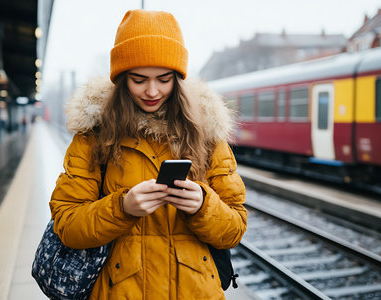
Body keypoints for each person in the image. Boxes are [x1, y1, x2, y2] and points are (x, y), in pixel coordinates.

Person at [49, 9, 247, 300]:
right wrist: (122, 207)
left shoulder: (208, 135)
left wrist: (203, 206)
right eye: (139, 79)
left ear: (178, 79)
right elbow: (67, 224)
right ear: (122, 78)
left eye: (164, 79)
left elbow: (235, 228)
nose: (152, 90)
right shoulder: (93, 136)